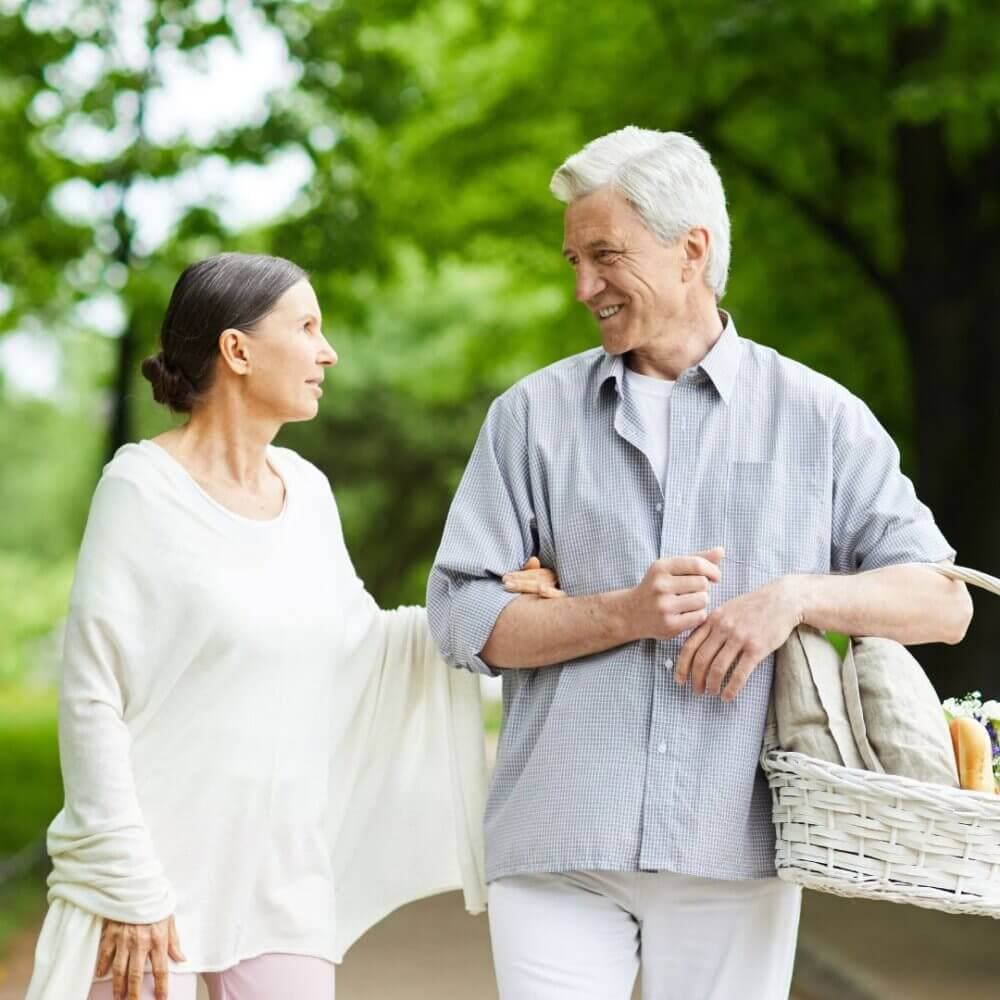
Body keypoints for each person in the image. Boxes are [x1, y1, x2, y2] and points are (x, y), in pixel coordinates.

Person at [426, 127, 973, 1000]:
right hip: (559, 839)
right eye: (572, 259)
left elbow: (944, 603)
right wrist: (620, 613)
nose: (582, 287)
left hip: (738, 846)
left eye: (605, 255)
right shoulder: (529, 419)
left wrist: (795, 598)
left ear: (692, 251)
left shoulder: (820, 417)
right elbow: (457, 620)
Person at [26, 252, 556, 1000]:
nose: (327, 351)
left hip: (279, 879)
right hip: (148, 884)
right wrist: (126, 877)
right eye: (307, 326)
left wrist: (492, 601)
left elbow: (358, 646)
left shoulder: (306, 491)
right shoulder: (140, 490)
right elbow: (90, 695)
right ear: (236, 350)